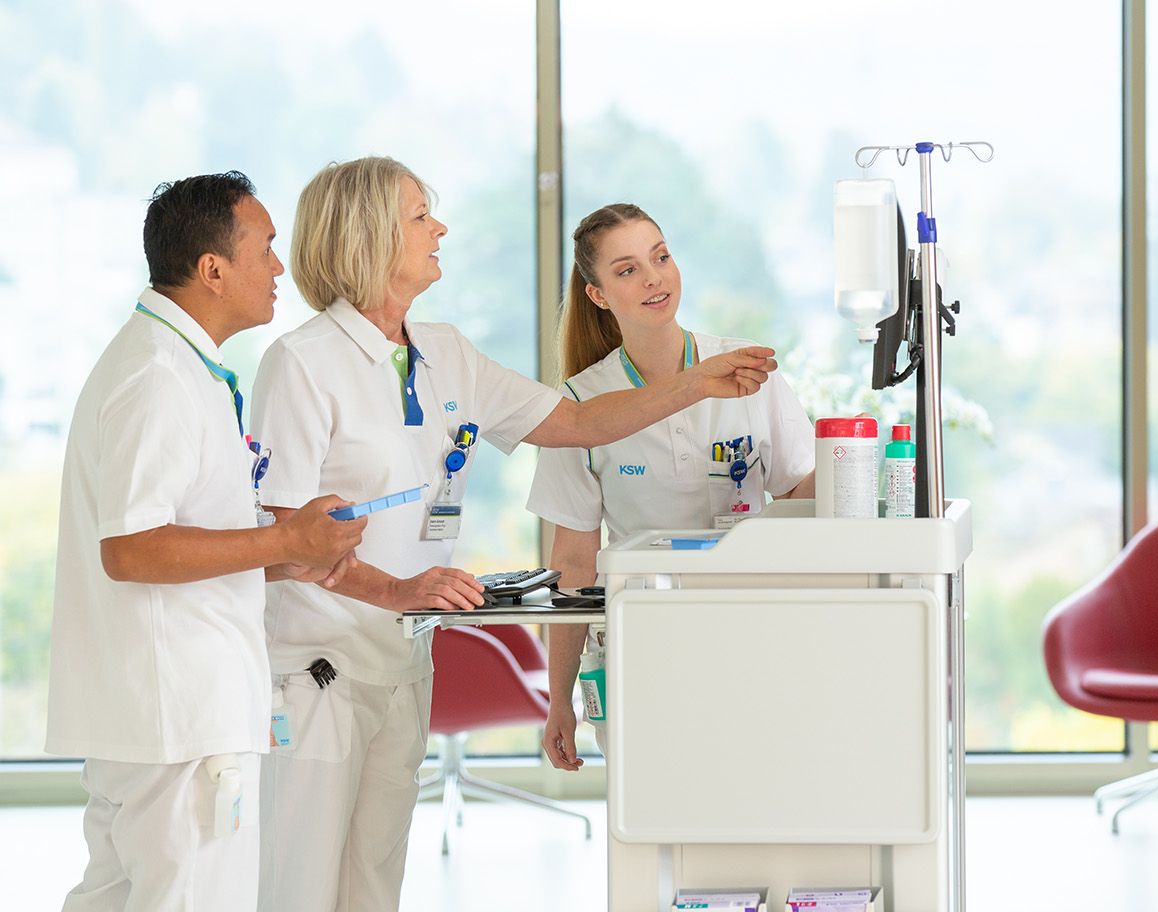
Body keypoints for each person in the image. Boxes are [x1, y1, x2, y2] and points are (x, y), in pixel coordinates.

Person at [250, 157, 776, 912]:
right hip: (318, 670)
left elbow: (576, 422)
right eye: (420, 216)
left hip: (403, 659)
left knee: (373, 885)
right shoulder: (301, 364)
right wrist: (397, 591)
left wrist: (697, 382)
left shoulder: (444, 351)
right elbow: (282, 540)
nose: (440, 228)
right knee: (299, 888)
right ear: (369, 236)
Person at [46, 172, 367, 912]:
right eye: (267, 247)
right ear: (213, 268)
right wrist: (282, 537)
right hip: (181, 717)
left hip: (157, 715)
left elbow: (174, 535)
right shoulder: (158, 377)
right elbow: (132, 550)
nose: (280, 267)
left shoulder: (170, 363)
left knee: (116, 898)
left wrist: (286, 555)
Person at [526, 202, 816, 771]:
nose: (654, 278)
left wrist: (850, 467)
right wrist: (560, 699)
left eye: (660, 257)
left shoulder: (745, 369)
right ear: (598, 295)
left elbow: (799, 496)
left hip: (749, 629)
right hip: (640, 639)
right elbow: (574, 561)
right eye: (628, 269)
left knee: (752, 795)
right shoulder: (581, 405)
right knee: (654, 804)